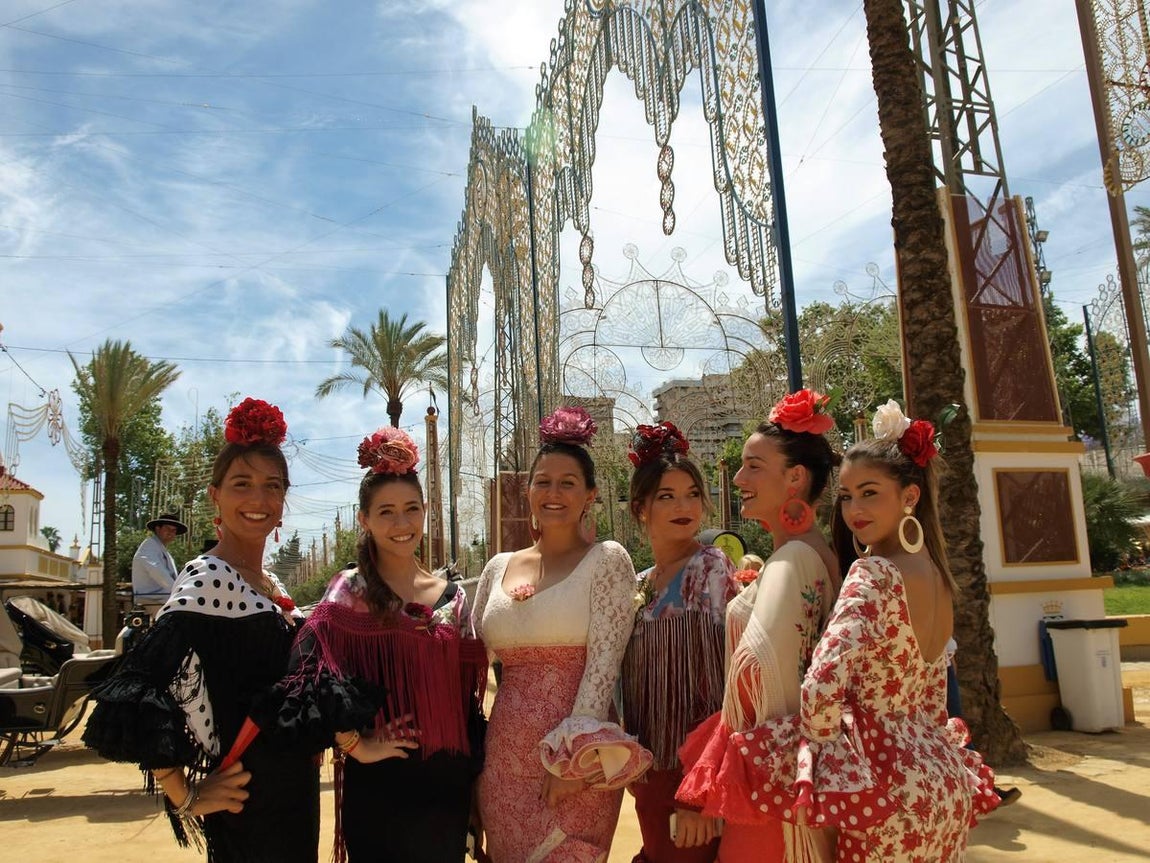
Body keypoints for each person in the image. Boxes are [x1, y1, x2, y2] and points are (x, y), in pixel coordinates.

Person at [713, 400, 1000, 862]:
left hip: (884, 789)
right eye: (846, 496)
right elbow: (933, 697)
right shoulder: (938, 577)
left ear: (909, 495)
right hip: (943, 777)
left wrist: (823, 765)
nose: (854, 510)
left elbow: (822, 684)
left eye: (870, 493)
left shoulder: (873, 573)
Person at [84, 398, 319, 863]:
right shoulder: (208, 578)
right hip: (248, 809)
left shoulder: (270, 582)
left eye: (272, 486)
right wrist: (185, 793)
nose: (258, 499)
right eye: (241, 484)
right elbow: (140, 688)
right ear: (215, 495)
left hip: (294, 800)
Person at [255, 426, 487, 862]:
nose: (401, 524)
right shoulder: (349, 591)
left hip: (447, 794)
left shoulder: (453, 599)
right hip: (380, 793)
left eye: (411, 509)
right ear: (364, 519)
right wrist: (356, 745)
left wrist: (475, 788)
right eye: (386, 512)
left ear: (426, 512)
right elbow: (305, 677)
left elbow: (466, 707)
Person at [473, 406, 653, 862]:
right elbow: (475, 660)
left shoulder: (608, 561)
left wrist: (574, 759)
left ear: (590, 494)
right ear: (528, 491)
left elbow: (603, 665)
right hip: (503, 761)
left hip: (577, 762)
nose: (553, 492)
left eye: (568, 483)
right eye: (543, 482)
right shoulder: (496, 568)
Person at [677, 389, 841, 862]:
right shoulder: (813, 552)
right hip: (796, 768)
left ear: (795, 477)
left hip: (771, 780)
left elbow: (754, 662)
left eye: (754, 466)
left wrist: (729, 756)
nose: (740, 478)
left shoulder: (792, 558)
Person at [618, 422, 740, 863]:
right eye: (666, 496)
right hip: (652, 774)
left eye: (691, 493)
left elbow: (719, 685)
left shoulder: (710, 567)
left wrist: (698, 794)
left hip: (694, 776)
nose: (683, 505)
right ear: (641, 509)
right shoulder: (638, 584)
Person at [132, 512, 187, 616]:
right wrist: (179, 592)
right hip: (152, 601)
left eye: (174, 530)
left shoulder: (162, 550)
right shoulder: (148, 548)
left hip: (163, 599)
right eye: (167, 529)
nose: (171, 533)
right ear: (158, 529)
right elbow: (159, 573)